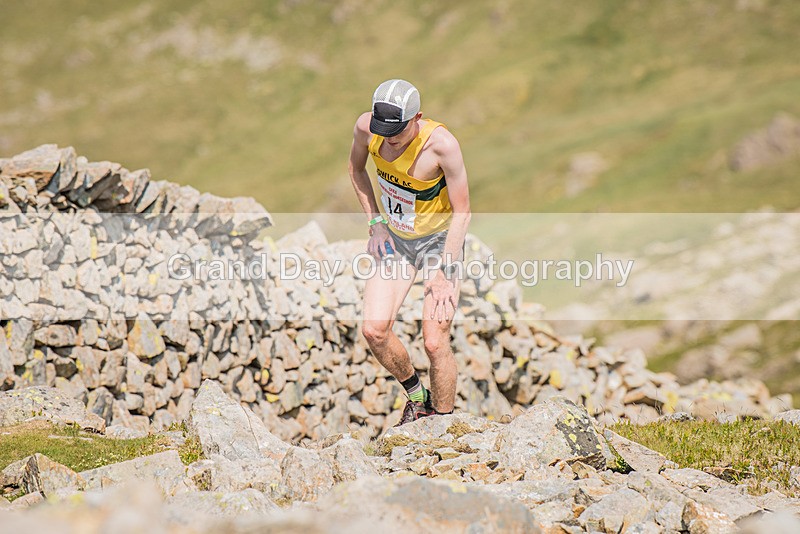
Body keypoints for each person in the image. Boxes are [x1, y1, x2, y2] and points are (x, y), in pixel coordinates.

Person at [348, 79, 472, 426]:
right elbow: (356, 169)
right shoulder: (365, 129)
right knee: (374, 330)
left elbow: (463, 212)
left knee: (434, 341)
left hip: (438, 243)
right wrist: (375, 221)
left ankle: (443, 424)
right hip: (397, 241)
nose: (389, 139)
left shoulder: (442, 146)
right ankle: (419, 400)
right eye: (382, 130)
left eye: (398, 131)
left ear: (417, 117)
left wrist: (445, 272)